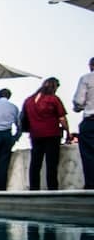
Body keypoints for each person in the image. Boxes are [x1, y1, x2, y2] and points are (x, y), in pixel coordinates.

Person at [22, 77, 69, 191]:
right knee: (51, 163)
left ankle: (34, 188)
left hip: (35, 134)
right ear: (54, 87)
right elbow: (62, 118)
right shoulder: (53, 99)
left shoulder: (29, 100)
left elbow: (24, 118)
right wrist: (68, 132)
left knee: (35, 163)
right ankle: (52, 188)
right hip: (52, 133)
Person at [71, 57, 94, 189]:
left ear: (91, 66)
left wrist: (78, 108)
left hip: (91, 120)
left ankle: (91, 185)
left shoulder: (86, 78)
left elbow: (79, 101)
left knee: (89, 155)